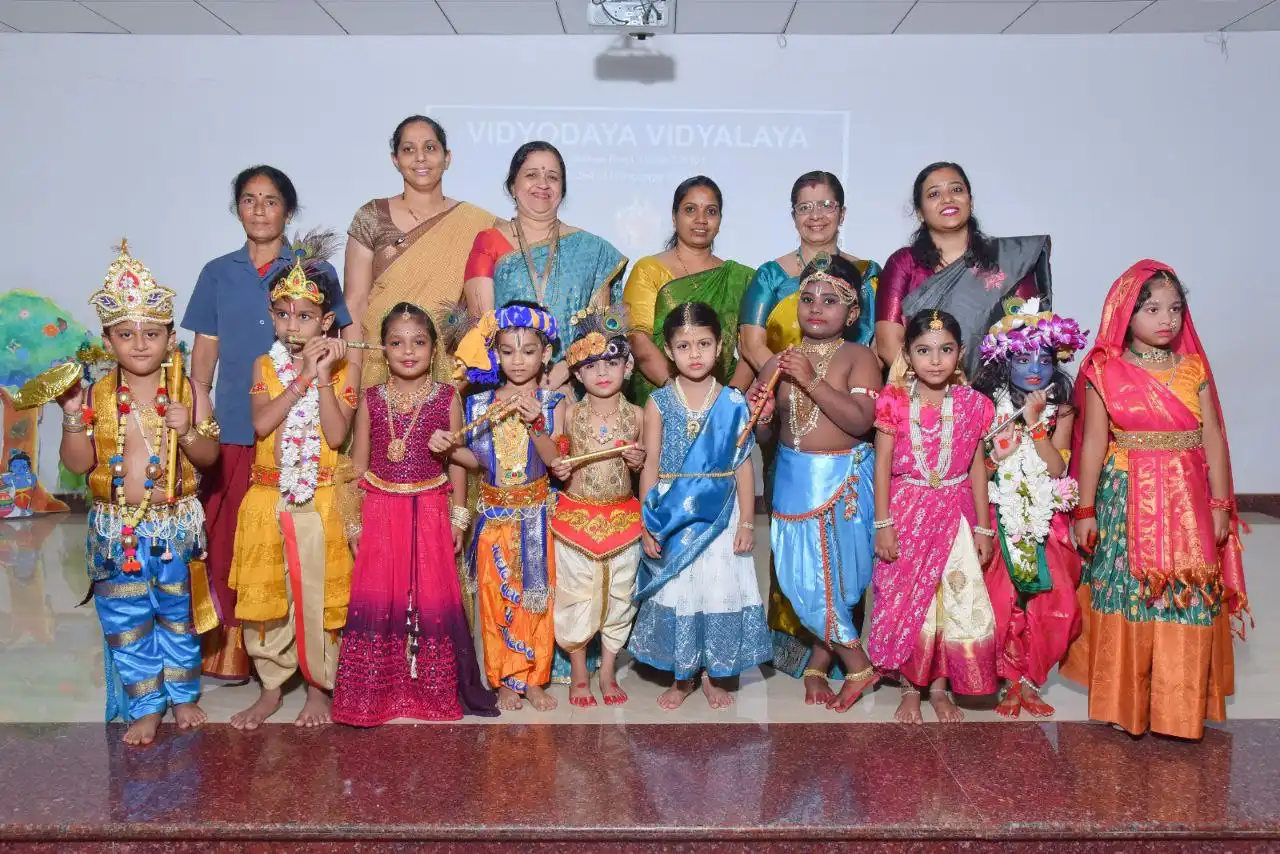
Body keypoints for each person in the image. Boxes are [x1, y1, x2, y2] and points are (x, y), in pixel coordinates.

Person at [1062, 261, 1247, 739]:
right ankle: (1128, 704)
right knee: (1129, 594)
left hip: (1189, 500)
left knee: (1188, 595)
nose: (1166, 319)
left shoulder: (1193, 369)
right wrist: (1084, 511)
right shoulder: (1105, 370)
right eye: (1152, 308)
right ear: (1127, 313)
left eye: (1175, 309)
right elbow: (1092, 445)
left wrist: (1222, 504)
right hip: (1125, 499)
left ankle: (1179, 711)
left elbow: (1214, 441)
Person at [183, 165, 352, 682]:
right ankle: (236, 653)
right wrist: (200, 406)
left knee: (300, 541)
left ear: (288, 210)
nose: (259, 209)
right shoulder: (218, 271)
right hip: (238, 416)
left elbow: (340, 337)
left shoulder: (314, 270)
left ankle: (306, 656)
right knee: (235, 535)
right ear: (237, 208)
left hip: (305, 432)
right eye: (249, 199)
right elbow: (205, 346)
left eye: (271, 200)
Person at [60, 241, 221, 745]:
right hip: (116, 528)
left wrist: (188, 430)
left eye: (152, 333)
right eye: (125, 334)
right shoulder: (93, 395)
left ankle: (184, 696)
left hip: (174, 525)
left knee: (178, 613)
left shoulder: (191, 392)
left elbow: (209, 459)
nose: (139, 343)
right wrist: (69, 418)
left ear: (171, 337)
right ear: (107, 341)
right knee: (127, 618)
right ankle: (146, 704)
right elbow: (79, 465)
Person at [331, 303, 498, 726]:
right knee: (381, 597)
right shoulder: (371, 399)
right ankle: (376, 695)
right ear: (382, 350)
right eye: (397, 343)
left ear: (433, 347)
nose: (409, 351)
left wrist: (459, 517)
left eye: (419, 342)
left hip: (430, 510)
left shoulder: (446, 397)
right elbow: (358, 464)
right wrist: (355, 521)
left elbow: (460, 464)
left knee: (429, 598)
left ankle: (431, 691)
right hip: (382, 510)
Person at [227, 234, 357, 730]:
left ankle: (321, 687)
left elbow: (336, 432)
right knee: (268, 599)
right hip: (268, 496)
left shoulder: (343, 368)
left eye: (304, 316)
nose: (292, 326)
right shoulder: (266, 366)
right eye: (283, 314)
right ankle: (271, 687)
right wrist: (300, 377)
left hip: (320, 499)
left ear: (326, 321)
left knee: (320, 599)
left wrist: (322, 376)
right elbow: (262, 425)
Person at [747, 259, 882, 710]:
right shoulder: (776, 362)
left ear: (852, 313)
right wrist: (761, 419)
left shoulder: (860, 357)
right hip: (791, 477)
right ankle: (859, 665)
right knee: (800, 580)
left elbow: (862, 419)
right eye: (807, 299)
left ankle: (819, 665)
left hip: (844, 481)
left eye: (830, 301)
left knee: (841, 584)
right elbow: (765, 432)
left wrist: (812, 380)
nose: (816, 308)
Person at [627, 302, 771, 710]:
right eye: (684, 345)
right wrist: (647, 522)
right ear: (669, 351)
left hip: (722, 516)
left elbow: (742, 467)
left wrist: (746, 522)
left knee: (717, 590)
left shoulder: (732, 401)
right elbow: (650, 464)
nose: (695, 354)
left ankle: (714, 673)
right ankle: (682, 676)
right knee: (682, 591)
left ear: (720, 346)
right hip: (673, 515)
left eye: (704, 344)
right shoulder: (659, 402)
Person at [866, 309, 998, 724]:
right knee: (908, 600)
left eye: (945, 350)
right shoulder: (894, 400)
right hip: (907, 510)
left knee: (948, 600)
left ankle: (939, 689)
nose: (935, 360)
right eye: (924, 351)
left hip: (956, 514)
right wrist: (883, 523)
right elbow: (882, 463)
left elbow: (977, 465)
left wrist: (982, 526)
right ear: (907, 354)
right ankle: (909, 688)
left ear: (960, 354)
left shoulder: (974, 404)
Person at [972, 298, 1089, 718]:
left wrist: (1038, 426)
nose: (1034, 367)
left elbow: (1057, 465)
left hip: (1046, 514)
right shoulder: (988, 405)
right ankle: (1006, 678)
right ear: (1004, 362)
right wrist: (994, 456)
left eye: (1042, 357)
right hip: (999, 510)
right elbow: (978, 466)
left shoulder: (1062, 408)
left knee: (1051, 600)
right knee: (1001, 597)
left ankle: (1030, 679)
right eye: (1022, 358)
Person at [449, 303, 567, 712]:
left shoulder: (553, 402)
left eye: (528, 350)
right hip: (494, 518)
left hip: (536, 517)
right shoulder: (479, 404)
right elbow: (477, 461)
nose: (518, 361)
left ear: (546, 354)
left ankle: (535, 679)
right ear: (495, 354)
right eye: (508, 350)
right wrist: (448, 448)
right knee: (495, 598)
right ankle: (502, 679)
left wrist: (537, 424)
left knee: (538, 597)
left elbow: (554, 462)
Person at [342, 115, 499, 388]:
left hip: (447, 367)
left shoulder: (478, 222)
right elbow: (354, 303)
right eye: (408, 149)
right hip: (379, 362)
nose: (420, 158)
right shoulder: (371, 216)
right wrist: (352, 373)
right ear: (395, 160)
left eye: (430, 148)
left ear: (447, 157)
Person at [463, 141, 627, 392]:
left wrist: (566, 370)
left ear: (562, 188)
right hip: (505, 385)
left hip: (571, 384)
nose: (543, 184)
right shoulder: (489, 241)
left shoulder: (593, 251)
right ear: (512, 186)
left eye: (553, 177)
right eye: (531, 175)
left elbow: (600, 332)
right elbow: (482, 324)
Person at [548, 306, 647, 707]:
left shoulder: (639, 415)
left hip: (623, 517)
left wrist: (639, 465)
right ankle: (577, 669)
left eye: (611, 362)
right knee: (575, 593)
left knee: (620, 595)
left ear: (628, 366)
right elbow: (554, 453)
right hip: (575, 517)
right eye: (591, 365)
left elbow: (649, 468)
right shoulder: (567, 412)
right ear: (575, 372)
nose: (602, 373)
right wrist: (558, 462)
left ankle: (607, 669)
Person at [874, 162, 1051, 378]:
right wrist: (934, 392)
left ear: (971, 201)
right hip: (920, 396)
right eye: (934, 194)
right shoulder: (905, 263)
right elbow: (887, 343)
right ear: (920, 212)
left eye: (956, 190)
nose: (947, 199)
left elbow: (1027, 335)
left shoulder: (1010, 260)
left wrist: (973, 400)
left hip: (993, 395)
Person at [622, 176, 755, 404]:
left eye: (711, 211)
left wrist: (729, 400)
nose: (701, 220)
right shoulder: (649, 270)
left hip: (721, 400)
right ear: (674, 217)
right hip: (660, 399)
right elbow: (637, 340)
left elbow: (750, 350)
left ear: (720, 220)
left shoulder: (739, 278)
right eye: (690, 210)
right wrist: (679, 397)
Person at [738, 170, 880, 374]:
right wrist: (792, 385)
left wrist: (845, 388)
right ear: (794, 217)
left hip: (850, 395)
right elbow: (752, 346)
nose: (816, 216)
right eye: (805, 207)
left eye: (826, 206)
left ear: (842, 214)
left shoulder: (867, 273)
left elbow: (879, 345)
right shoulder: (770, 275)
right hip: (783, 390)